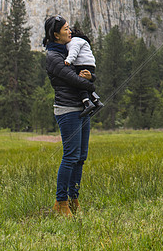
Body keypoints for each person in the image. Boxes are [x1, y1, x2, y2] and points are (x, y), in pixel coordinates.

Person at [44, 15, 95, 217]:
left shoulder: (70, 51)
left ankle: (74, 199)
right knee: (70, 156)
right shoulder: (54, 58)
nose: (69, 31)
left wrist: (91, 77)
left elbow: (87, 74)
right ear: (56, 34)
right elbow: (76, 81)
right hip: (67, 110)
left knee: (80, 157)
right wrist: (90, 83)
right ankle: (61, 202)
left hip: (81, 109)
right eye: (65, 29)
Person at [65, 27, 104, 118]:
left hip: (82, 64)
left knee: (79, 84)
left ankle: (87, 103)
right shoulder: (83, 42)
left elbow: (73, 52)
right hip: (91, 65)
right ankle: (96, 101)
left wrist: (68, 60)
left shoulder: (74, 41)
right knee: (86, 84)